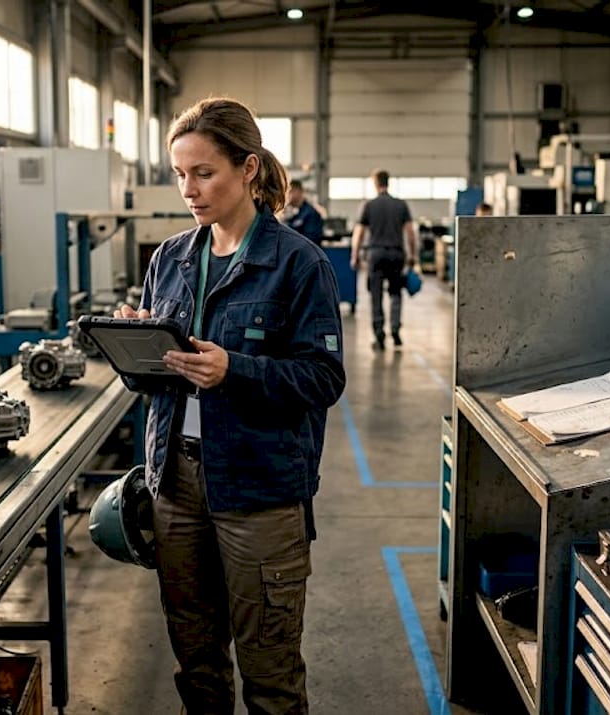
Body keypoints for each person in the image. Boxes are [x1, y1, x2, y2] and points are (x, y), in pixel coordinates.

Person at [115, 96, 346, 715]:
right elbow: (154, 384)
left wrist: (234, 370)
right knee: (196, 663)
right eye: (179, 174)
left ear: (247, 169)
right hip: (176, 483)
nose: (189, 190)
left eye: (204, 172)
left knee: (269, 671)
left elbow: (323, 378)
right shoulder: (170, 259)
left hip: (259, 488)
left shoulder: (298, 264)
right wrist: (137, 347)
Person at [350, 169, 417, 351]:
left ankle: (379, 335)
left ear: (375, 183)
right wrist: (413, 256)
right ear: (389, 182)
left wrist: (355, 255)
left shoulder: (369, 205)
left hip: (376, 255)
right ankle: (395, 330)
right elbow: (411, 232)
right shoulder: (401, 205)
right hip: (396, 254)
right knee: (396, 293)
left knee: (376, 295)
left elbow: (359, 233)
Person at [282, 179, 324, 245]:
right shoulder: (298, 214)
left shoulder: (310, 214)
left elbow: (310, 241)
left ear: (299, 191)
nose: (287, 196)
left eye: (290, 192)